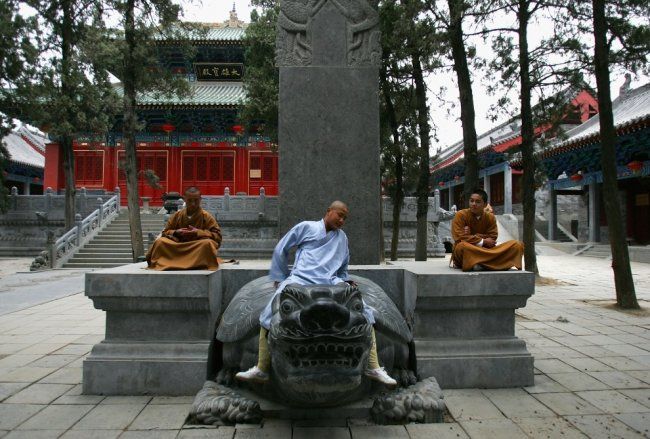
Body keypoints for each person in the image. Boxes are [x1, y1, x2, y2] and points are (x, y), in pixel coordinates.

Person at [235, 201, 397, 386]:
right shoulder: (306, 227)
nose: (342, 220)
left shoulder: (342, 237)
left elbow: (343, 261)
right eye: (340, 215)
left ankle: (373, 366)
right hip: (301, 278)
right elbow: (282, 247)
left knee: (366, 313)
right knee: (269, 313)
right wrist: (280, 276)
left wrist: (344, 278)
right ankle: (262, 368)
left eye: (345, 218)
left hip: (330, 280)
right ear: (329, 211)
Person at [145, 186, 222, 270]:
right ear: (184, 199)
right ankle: (181, 262)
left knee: (207, 244)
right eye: (190, 200)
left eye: (196, 200)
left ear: (200, 199)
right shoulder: (177, 216)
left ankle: (179, 262)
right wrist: (176, 232)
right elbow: (165, 232)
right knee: (160, 242)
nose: (193, 204)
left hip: (197, 245)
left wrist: (198, 232)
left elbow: (217, 236)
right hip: (179, 245)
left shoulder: (206, 216)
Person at [451, 188, 524, 271]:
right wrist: (483, 241)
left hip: (486, 250)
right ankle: (496, 263)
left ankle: (478, 263)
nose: (473, 204)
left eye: (478, 202)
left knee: (517, 245)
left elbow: (492, 238)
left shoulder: (490, 217)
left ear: (485, 204)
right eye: (471, 201)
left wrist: (473, 236)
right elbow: (459, 237)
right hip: (470, 250)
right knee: (462, 246)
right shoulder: (460, 215)